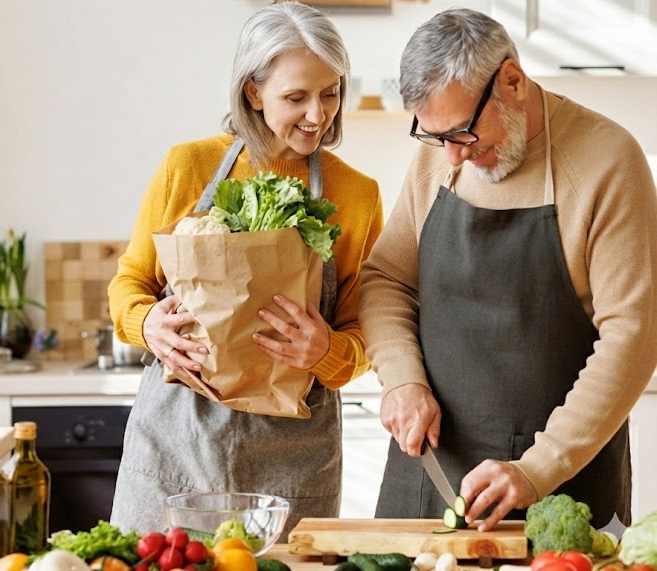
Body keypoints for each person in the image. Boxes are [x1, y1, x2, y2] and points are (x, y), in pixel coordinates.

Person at [358, 7, 657, 532]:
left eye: (463, 134)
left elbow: (633, 335)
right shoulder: (441, 157)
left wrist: (538, 469)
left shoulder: (608, 162)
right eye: (435, 137)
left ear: (513, 81)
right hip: (427, 477)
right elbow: (387, 280)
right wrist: (400, 378)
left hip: (561, 490)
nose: (451, 157)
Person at [107, 2, 384, 536]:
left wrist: (327, 352)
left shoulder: (357, 195)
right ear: (253, 93)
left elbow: (365, 337)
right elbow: (130, 282)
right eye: (296, 97)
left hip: (294, 459)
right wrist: (149, 325)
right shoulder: (187, 168)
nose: (317, 114)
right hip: (175, 444)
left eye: (331, 93)